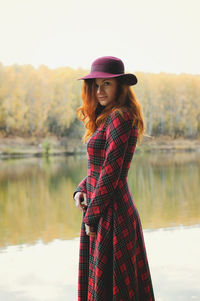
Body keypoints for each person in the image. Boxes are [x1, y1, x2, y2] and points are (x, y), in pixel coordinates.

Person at [73, 56, 155, 301]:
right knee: (105, 286)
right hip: (101, 209)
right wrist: (80, 190)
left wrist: (91, 216)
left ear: (120, 86)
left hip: (113, 213)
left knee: (114, 288)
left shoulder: (121, 117)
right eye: (96, 85)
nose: (99, 91)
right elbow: (96, 169)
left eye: (106, 84)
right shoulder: (105, 118)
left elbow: (111, 172)